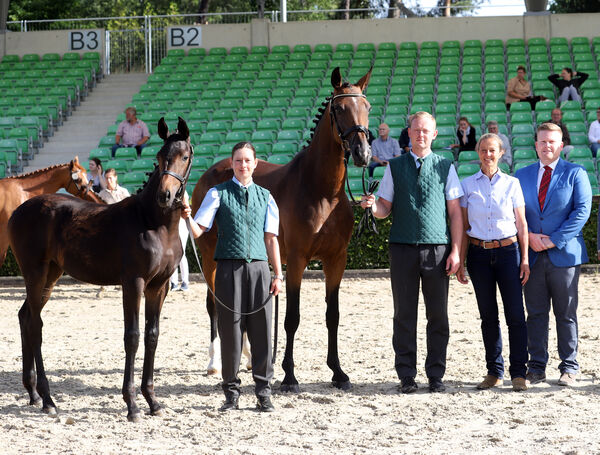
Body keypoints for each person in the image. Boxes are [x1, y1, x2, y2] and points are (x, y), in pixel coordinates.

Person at [360, 111, 463, 394]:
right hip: (402, 248)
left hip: (437, 250)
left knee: (438, 316)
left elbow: (455, 213)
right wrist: (372, 207)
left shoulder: (446, 166)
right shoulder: (394, 166)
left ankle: (436, 375)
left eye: (425, 130)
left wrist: (456, 250)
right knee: (404, 315)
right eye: (416, 130)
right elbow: (384, 209)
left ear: (434, 134)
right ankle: (406, 375)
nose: (420, 134)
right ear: (409, 133)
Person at [182, 141, 283, 412]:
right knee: (231, 333)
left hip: (261, 270)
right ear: (232, 163)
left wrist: (278, 275)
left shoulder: (266, 196)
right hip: (228, 269)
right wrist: (187, 215)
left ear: (255, 163)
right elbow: (198, 231)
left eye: (247, 160)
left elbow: (271, 240)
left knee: (262, 333)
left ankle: (263, 393)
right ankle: (231, 394)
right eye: (238, 160)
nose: (243, 165)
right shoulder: (217, 193)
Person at [515, 123, 592, 387]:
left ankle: (569, 367)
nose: (547, 146)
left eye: (552, 142)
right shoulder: (521, 175)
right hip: (532, 255)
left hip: (564, 255)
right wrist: (530, 238)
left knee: (566, 313)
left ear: (561, 145)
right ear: (535, 144)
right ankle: (536, 367)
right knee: (535, 314)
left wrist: (552, 241)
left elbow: (581, 212)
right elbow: (514, 212)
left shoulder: (576, 173)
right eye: (542, 141)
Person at [456, 133, 529, 392]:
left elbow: (521, 224)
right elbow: (464, 226)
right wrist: (462, 262)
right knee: (488, 317)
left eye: (493, 151)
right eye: (484, 150)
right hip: (478, 256)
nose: (488, 155)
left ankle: (519, 373)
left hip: (509, 253)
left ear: (501, 153)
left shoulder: (512, 184)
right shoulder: (467, 185)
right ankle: (494, 371)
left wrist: (526, 260)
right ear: (478, 152)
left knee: (516, 316)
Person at [170, 192, 190, 292]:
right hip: (171, 223)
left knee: (181, 253)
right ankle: (173, 282)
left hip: (181, 223)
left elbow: (185, 206)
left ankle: (185, 281)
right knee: (171, 254)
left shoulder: (183, 192)